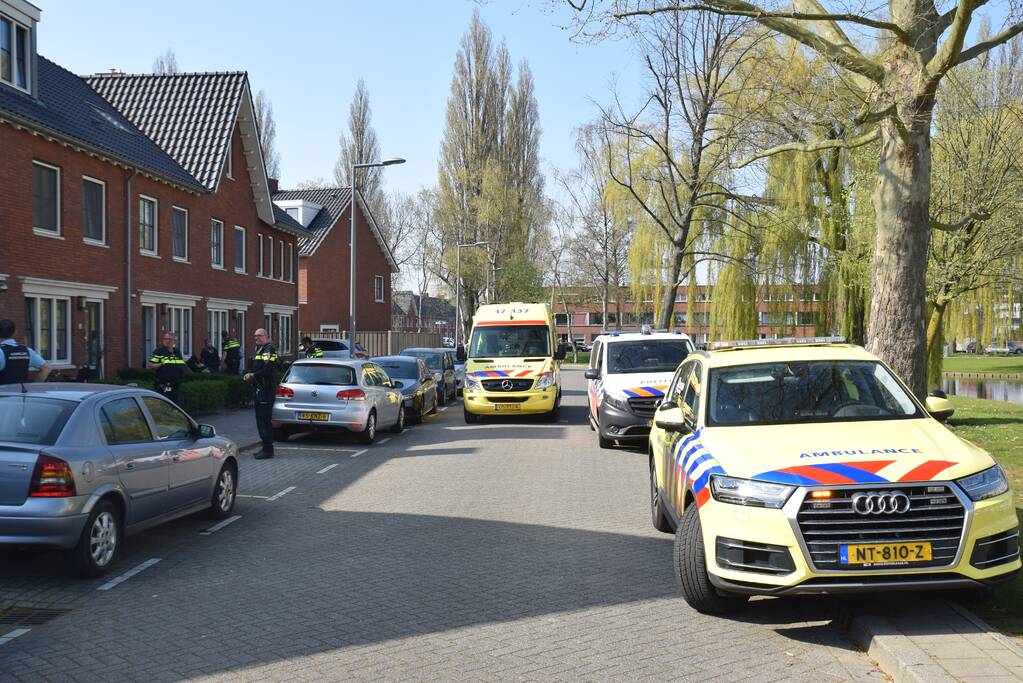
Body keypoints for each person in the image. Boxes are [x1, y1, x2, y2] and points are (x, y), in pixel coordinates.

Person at [244, 328, 278, 459]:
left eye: (259, 336)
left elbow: (268, 370)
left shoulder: (268, 350)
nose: (256, 338)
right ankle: (265, 447)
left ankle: (268, 450)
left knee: (264, 420)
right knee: (260, 420)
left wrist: (252, 375)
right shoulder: (261, 349)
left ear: (266, 337)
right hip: (261, 389)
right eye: (255, 336)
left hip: (266, 390)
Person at [0, 319, 52, 384]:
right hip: (22, 393)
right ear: (15, 333)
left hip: (3, 393)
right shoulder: (27, 351)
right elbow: (46, 369)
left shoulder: (1, 351)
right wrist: (34, 386)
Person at [149, 332, 186, 404]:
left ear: (174, 341)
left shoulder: (177, 352)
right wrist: (161, 364)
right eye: (165, 339)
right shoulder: (159, 351)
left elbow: (182, 364)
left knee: (176, 406)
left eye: (169, 339)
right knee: (164, 405)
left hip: (176, 386)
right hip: (164, 386)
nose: (167, 341)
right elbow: (150, 365)